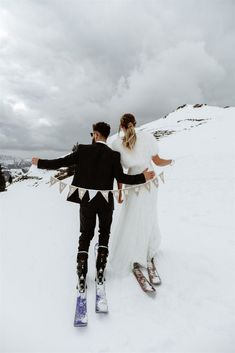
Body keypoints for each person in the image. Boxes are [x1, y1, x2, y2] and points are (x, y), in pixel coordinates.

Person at [31, 122, 155, 292]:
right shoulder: (113, 156)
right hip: (105, 203)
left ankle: (82, 272)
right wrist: (143, 177)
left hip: (86, 200)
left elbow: (60, 162)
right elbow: (123, 178)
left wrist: (40, 162)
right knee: (104, 234)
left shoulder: (82, 150)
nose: (91, 137)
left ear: (96, 135)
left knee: (85, 235)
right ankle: (100, 269)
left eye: (92, 134)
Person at [109, 113, 173, 284]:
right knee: (148, 216)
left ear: (121, 126)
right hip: (151, 182)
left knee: (132, 217)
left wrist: (120, 193)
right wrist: (171, 161)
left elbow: (119, 174)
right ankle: (145, 251)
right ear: (135, 124)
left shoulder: (116, 144)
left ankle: (135, 252)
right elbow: (158, 161)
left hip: (134, 183)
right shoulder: (148, 137)